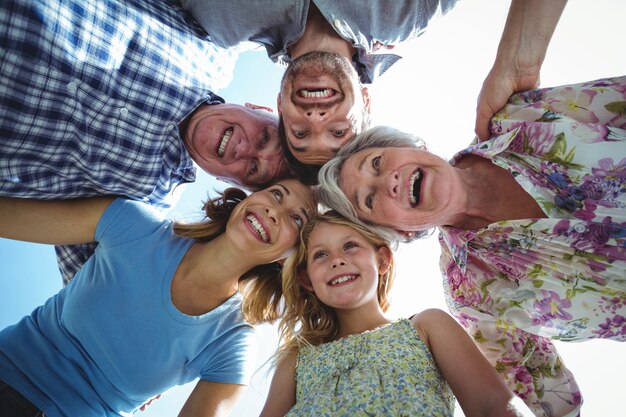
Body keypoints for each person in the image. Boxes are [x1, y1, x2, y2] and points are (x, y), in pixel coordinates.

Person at [316, 75, 626, 416]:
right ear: (399, 232)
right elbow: (549, 394)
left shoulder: (518, 119)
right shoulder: (470, 295)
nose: (387, 180)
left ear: (406, 146)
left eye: (375, 163)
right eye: (370, 199)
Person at [0, 0, 292, 284]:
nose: (244, 148)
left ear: (232, 181)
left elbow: (93, 290)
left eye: (253, 168)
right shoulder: (212, 43)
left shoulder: (144, 203)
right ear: (261, 108)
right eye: (265, 136)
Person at [0, 179, 316, 417]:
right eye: (276, 194)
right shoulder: (134, 224)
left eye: (296, 220)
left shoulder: (233, 343)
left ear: (289, 257)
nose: (275, 211)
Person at [183, 0, 566, 180]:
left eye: (300, 133)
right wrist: (517, 61)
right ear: (365, 99)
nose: (316, 119)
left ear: (279, 105)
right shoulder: (405, 13)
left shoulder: (220, 20)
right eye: (338, 131)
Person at [259, 210, 534, 417]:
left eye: (350, 246)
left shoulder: (426, 326)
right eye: (320, 255)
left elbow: (492, 405)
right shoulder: (298, 357)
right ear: (307, 281)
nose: (337, 260)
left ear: (382, 260)